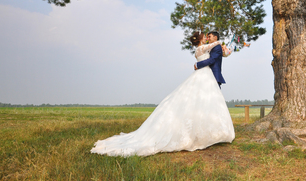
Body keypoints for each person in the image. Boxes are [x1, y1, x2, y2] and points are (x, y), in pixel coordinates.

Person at [90, 32, 235, 157]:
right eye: (205, 36)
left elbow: (216, 55)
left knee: (205, 102)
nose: (206, 38)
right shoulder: (201, 48)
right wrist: (220, 42)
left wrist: (224, 48)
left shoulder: (205, 48)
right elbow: (211, 49)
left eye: (208, 36)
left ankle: (209, 131)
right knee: (196, 101)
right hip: (202, 75)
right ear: (199, 40)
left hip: (206, 76)